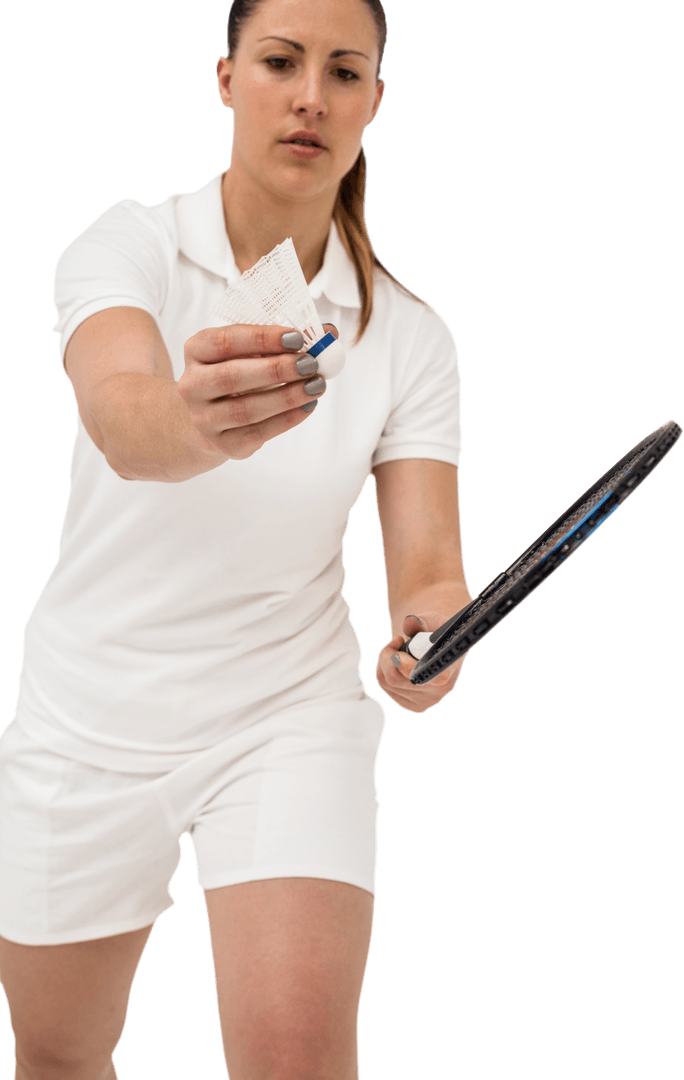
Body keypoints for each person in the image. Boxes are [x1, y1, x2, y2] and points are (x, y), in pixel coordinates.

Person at [0, 0, 470, 1076]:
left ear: (375, 104)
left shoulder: (411, 336)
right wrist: (198, 417)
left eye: (345, 72)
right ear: (225, 78)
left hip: (284, 711)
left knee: (297, 1055)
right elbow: (125, 422)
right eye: (281, 61)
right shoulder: (127, 244)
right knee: (60, 1053)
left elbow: (430, 568)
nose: (311, 94)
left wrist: (435, 637)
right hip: (89, 712)